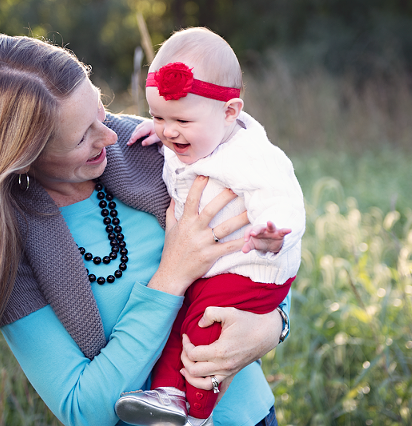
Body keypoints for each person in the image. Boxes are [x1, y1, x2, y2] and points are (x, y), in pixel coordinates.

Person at [0, 33, 289, 426]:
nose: (110, 135)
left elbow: (268, 257)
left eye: (100, 110)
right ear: (22, 158)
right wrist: (172, 276)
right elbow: (83, 410)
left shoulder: (157, 147)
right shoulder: (6, 250)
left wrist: (272, 327)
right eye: (82, 137)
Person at [115, 28, 305, 426]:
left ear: (230, 112)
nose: (169, 130)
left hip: (250, 270)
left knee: (205, 331)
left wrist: (272, 235)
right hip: (210, 268)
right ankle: (168, 395)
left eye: (181, 120)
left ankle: (197, 415)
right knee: (175, 323)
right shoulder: (192, 136)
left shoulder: (252, 157)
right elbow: (172, 128)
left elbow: (281, 199)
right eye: (158, 116)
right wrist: (157, 128)